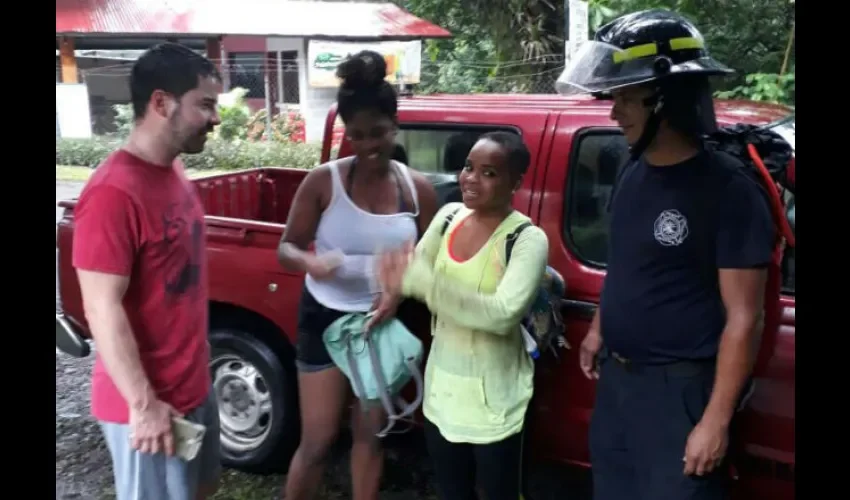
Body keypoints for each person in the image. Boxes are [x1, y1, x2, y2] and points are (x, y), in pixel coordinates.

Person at [555, 9, 776, 500]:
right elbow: (626, 260)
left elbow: (746, 317)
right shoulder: (633, 171)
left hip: (680, 395)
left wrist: (714, 422)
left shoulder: (728, 191)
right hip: (619, 385)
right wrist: (598, 328)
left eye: (627, 100)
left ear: (666, 100)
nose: (615, 114)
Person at [277, 50, 438, 500]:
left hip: (381, 324)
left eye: (379, 133)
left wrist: (399, 289)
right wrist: (310, 262)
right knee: (319, 438)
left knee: (372, 436)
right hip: (325, 317)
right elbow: (286, 246)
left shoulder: (417, 188)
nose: (369, 145)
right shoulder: (323, 182)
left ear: (395, 126)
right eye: (359, 135)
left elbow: (431, 258)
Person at [72, 42, 223, 500]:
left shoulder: (173, 170)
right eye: (205, 104)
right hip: (146, 407)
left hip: (194, 386)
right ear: (161, 103)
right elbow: (100, 308)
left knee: (203, 490)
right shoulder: (112, 194)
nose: (215, 118)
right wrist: (144, 404)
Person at [376, 131, 549, 500]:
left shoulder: (526, 239)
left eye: (489, 173)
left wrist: (424, 282)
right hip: (442, 397)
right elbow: (413, 273)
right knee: (453, 492)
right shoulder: (448, 217)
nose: (470, 178)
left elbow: (502, 315)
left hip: (496, 406)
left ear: (515, 182)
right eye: (469, 167)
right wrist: (394, 283)